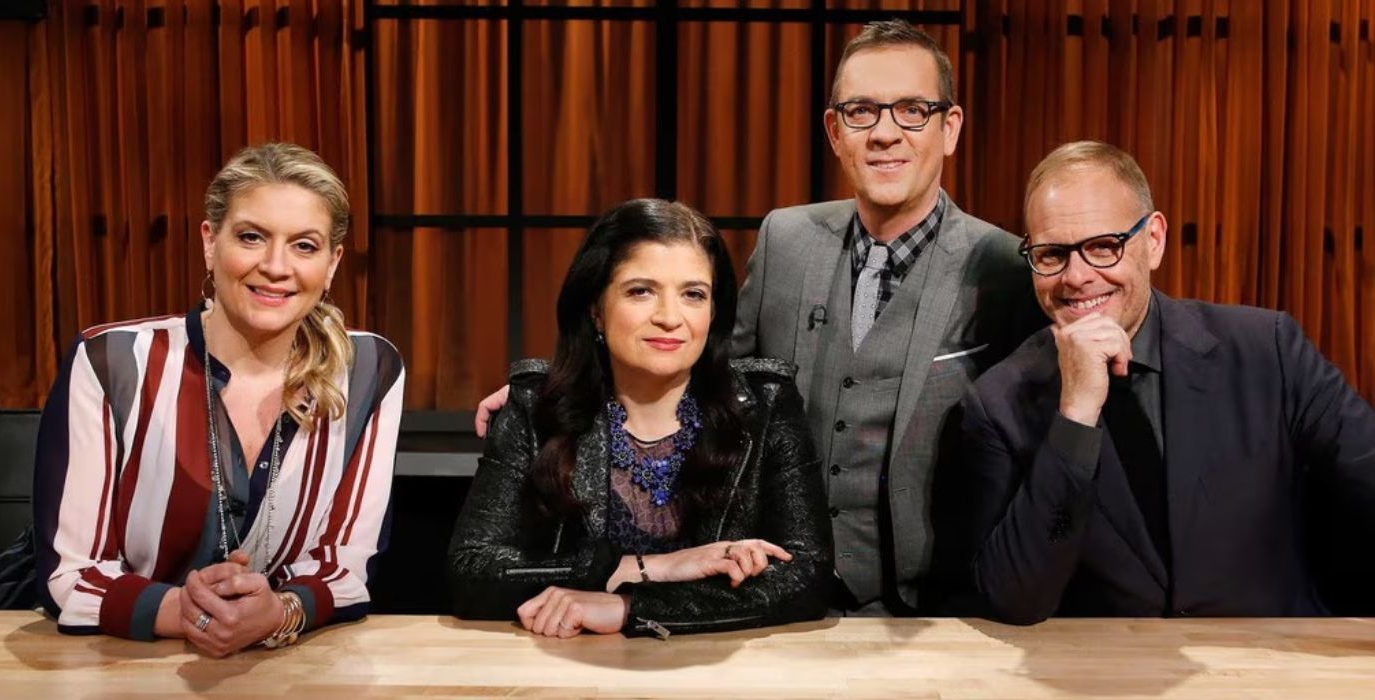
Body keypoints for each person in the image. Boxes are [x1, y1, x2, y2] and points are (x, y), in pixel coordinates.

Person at [475, 20, 1043, 617]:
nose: (884, 134)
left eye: (911, 111)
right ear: (834, 130)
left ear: (949, 128)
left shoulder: (1003, 266)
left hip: (939, 608)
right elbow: (707, 365)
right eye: (861, 112)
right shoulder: (786, 239)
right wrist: (554, 387)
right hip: (773, 593)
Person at [957, 140, 1375, 624]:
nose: (1076, 276)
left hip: (1273, 672)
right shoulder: (997, 402)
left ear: (1153, 240)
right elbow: (1014, 600)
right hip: (1104, 685)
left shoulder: (1268, 350)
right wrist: (1075, 417)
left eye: (1102, 247)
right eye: (1052, 254)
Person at [33, 143, 405, 656]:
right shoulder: (112, 359)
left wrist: (279, 612)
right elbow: (73, 572)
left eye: (304, 245)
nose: (276, 266)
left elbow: (346, 563)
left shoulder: (370, 370)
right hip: (116, 662)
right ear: (210, 242)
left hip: (282, 671)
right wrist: (186, 614)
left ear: (333, 262)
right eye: (252, 237)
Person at [448, 199, 832, 638]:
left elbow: (807, 577)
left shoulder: (766, 404)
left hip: (721, 675)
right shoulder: (535, 408)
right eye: (640, 291)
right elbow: (471, 571)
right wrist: (646, 568)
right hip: (567, 673)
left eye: (693, 294)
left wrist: (631, 606)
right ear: (596, 307)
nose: (670, 317)